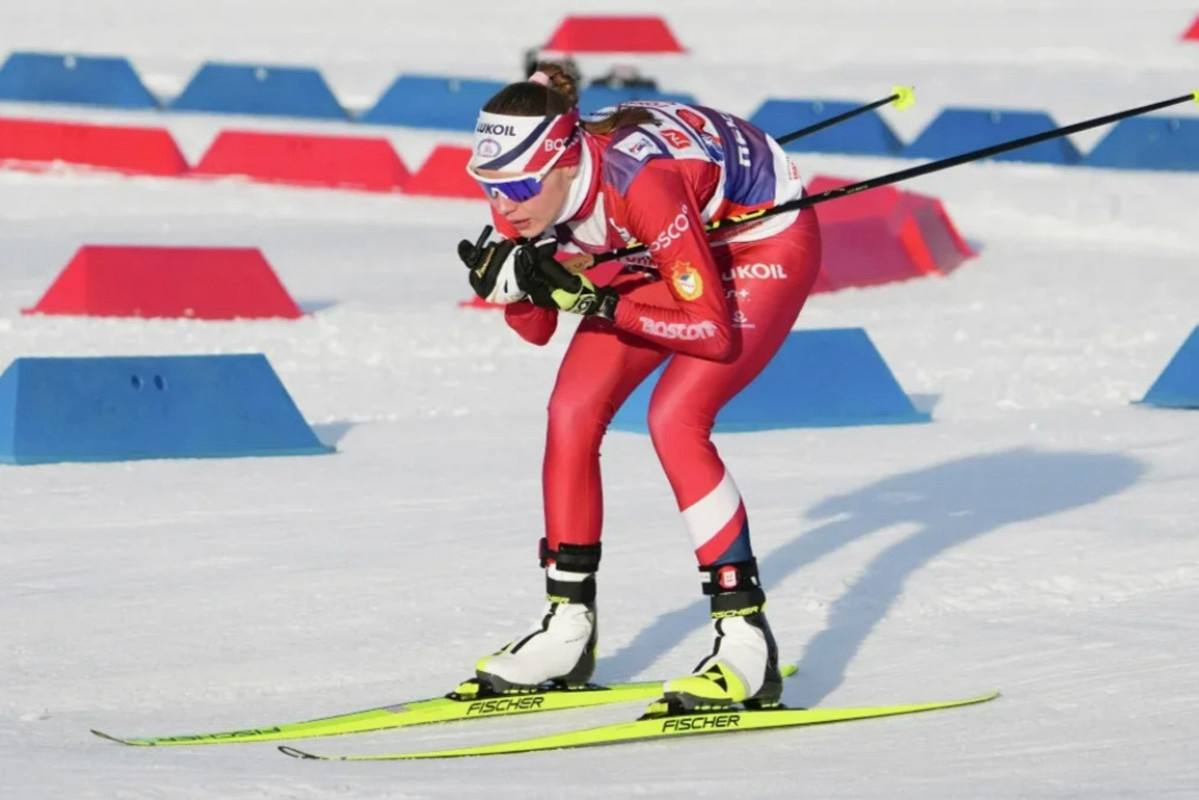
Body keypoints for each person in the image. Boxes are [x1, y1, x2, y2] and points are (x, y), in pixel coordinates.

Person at [456, 63, 822, 712]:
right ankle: (567, 628)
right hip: (661, 247)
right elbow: (536, 329)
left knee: (674, 418)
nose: (504, 204)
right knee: (571, 409)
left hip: (759, 242)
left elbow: (711, 333)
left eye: (516, 186)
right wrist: (514, 286)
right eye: (489, 186)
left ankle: (745, 641)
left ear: (566, 161)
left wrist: (594, 301)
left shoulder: (641, 183)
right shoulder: (521, 190)